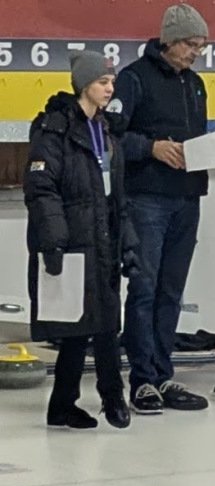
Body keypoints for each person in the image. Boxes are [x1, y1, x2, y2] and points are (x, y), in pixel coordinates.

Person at [24, 53, 136, 430]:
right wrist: (54, 241)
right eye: (103, 82)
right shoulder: (54, 131)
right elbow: (41, 189)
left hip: (103, 240)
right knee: (79, 327)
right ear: (84, 84)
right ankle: (94, 400)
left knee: (104, 323)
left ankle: (95, 400)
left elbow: (117, 195)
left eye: (112, 82)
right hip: (73, 243)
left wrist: (128, 242)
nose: (110, 89)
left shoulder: (105, 131)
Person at [114, 2, 215, 415]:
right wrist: (150, 147)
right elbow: (110, 137)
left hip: (187, 198)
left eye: (201, 46)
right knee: (144, 289)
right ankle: (142, 379)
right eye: (191, 44)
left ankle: (162, 373)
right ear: (169, 40)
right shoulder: (133, 79)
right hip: (146, 199)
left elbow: (197, 137)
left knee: (171, 291)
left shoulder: (196, 84)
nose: (196, 53)